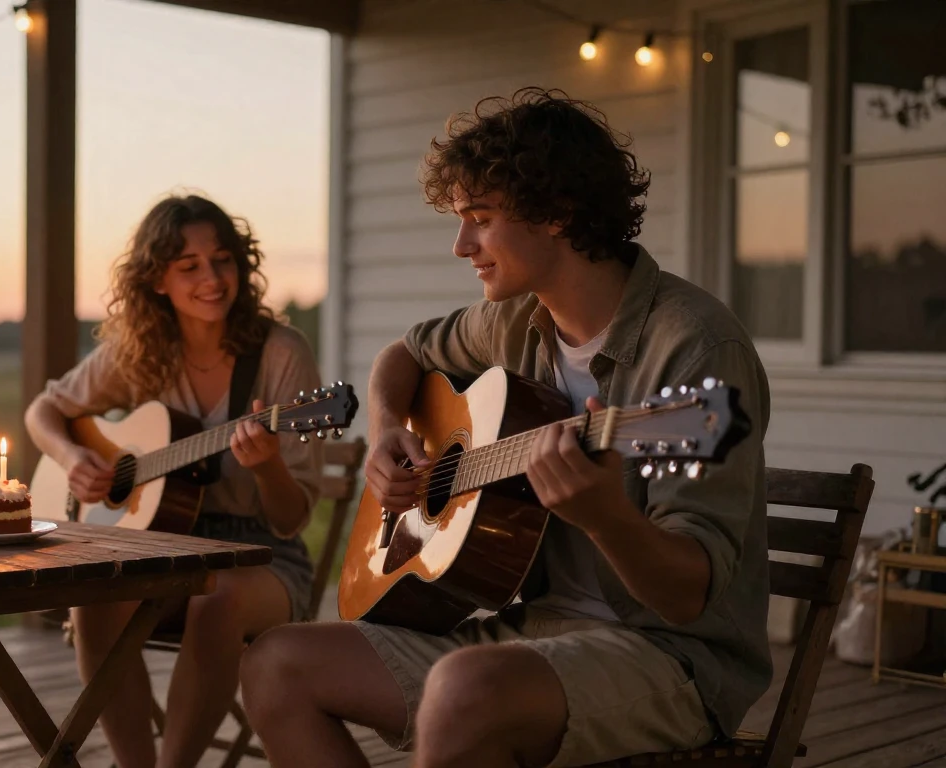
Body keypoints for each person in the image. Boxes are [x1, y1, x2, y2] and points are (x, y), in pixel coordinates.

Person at [239, 87, 773, 768]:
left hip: (670, 656)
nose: (461, 245)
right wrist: (386, 429)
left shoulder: (696, 348)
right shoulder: (515, 320)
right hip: (532, 633)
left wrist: (606, 517)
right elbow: (403, 354)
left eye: (480, 219)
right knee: (276, 662)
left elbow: (687, 595)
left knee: (464, 690)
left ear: (557, 213)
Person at [24, 194, 323, 768]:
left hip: (261, 557)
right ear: (157, 280)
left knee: (216, 597)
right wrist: (71, 456)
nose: (212, 278)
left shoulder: (281, 354)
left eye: (223, 259)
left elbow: (290, 520)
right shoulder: (142, 351)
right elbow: (45, 409)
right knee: (93, 603)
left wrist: (267, 466)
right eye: (189, 266)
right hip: (158, 551)